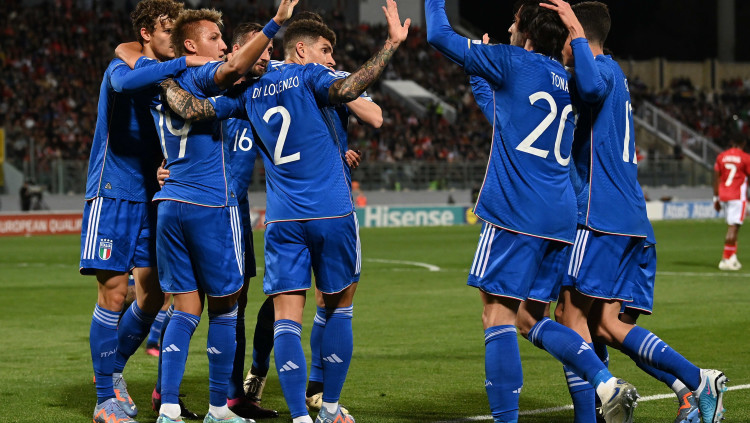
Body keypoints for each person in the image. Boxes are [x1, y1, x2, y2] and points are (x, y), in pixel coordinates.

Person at [159, 3, 408, 422]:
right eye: (325, 51)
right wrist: (391, 44)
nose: (330, 59)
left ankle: (298, 416)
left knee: (286, 318)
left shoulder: (245, 93)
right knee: (338, 306)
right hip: (330, 210)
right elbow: (350, 89)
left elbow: (194, 110)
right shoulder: (310, 76)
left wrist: (164, 80)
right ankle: (329, 408)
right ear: (301, 51)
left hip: (282, 218)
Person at [426, 1, 641, 422]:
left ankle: (516, 415)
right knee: (529, 318)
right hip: (559, 217)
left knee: (497, 316)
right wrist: (479, 75)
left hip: (516, 209)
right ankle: (604, 382)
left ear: (525, 32)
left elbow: (438, 34)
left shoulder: (512, 61)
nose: (508, 27)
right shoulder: (566, 78)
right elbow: (506, 118)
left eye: (513, 21)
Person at [541, 2, 728, 423]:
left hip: (600, 214)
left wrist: (571, 33)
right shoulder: (615, 72)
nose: (562, 47)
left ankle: (693, 380)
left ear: (578, 35)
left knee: (568, 317)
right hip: (628, 216)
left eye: (566, 38)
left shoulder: (599, 71)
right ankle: (690, 387)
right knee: (603, 324)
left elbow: (589, 88)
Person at [116, 2, 298, 423]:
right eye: (214, 38)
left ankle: (168, 408)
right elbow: (230, 70)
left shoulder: (158, 81)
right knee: (226, 308)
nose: (222, 45)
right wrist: (275, 23)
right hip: (209, 204)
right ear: (191, 46)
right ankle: (220, 407)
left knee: (184, 309)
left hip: (170, 205)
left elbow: (130, 61)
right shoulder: (200, 77)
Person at [78, 1, 206, 422]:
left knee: (151, 296)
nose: (176, 39)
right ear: (147, 33)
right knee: (114, 294)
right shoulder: (123, 68)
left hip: (152, 196)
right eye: (169, 31)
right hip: (112, 192)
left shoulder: (168, 80)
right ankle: (104, 401)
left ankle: (113, 370)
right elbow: (126, 81)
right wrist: (184, 60)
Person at [713, 137, 750, 270]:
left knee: (733, 226)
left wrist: (715, 198)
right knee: (733, 228)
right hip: (737, 196)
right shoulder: (745, 157)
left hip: (724, 195)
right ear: (743, 143)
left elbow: (716, 177)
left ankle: (732, 256)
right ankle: (726, 258)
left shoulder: (721, 156)